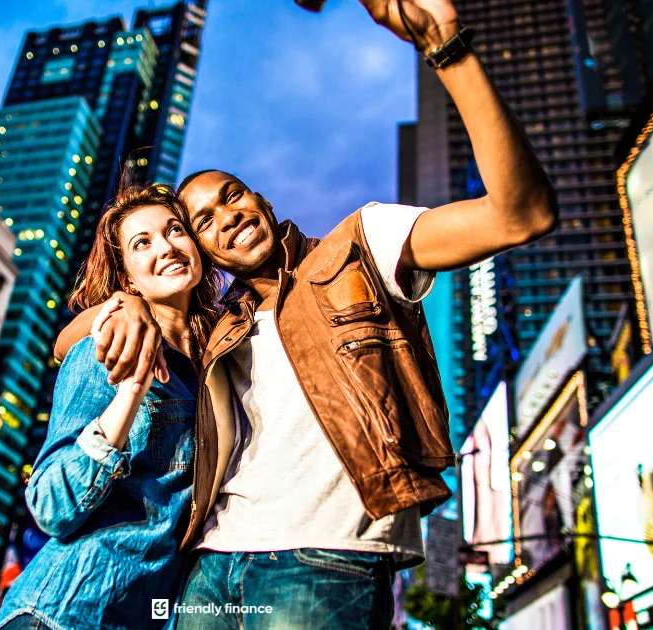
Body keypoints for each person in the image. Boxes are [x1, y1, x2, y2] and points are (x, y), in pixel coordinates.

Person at [56, 0, 559, 626]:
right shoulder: (221, 325)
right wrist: (128, 304)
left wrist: (448, 48)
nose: (227, 217)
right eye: (204, 221)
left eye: (232, 196)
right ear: (204, 251)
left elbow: (523, 214)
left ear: (260, 200)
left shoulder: (361, 246)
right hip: (212, 564)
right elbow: (66, 343)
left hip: (328, 557)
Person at [0, 181, 221, 630]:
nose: (167, 247)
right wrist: (130, 391)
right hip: (65, 611)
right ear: (128, 277)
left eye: (175, 230)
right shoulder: (100, 351)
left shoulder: (216, 366)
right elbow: (52, 503)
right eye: (142, 242)